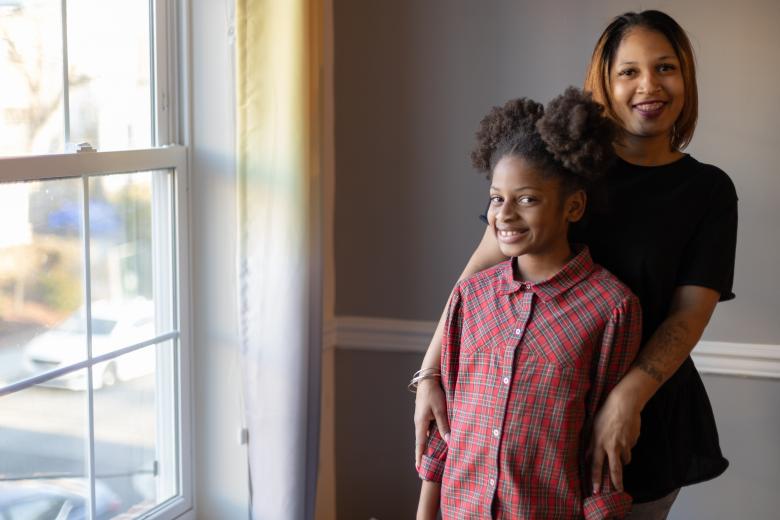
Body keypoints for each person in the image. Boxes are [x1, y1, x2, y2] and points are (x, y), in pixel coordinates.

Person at [413, 10, 738, 519]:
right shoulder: (567, 164)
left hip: (641, 419)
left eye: (665, 67)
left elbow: (688, 314)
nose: (648, 85)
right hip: (535, 419)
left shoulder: (709, 191)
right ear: (605, 84)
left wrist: (624, 400)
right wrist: (430, 372)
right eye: (628, 71)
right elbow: (480, 269)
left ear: (686, 77)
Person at [415, 88, 642, 519]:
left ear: (573, 206)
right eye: (497, 198)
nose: (505, 214)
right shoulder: (471, 297)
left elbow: (601, 453)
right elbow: (445, 433)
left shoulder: (612, 308)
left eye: (528, 199)